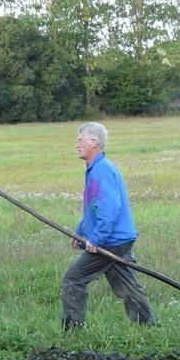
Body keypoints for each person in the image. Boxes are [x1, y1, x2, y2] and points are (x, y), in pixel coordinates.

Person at [61, 122, 155, 329]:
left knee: (73, 279)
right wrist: (80, 232)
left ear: (94, 142)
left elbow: (110, 210)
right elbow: (94, 208)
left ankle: (72, 331)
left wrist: (96, 239)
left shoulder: (101, 171)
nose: (77, 144)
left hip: (111, 240)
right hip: (120, 238)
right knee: (126, 283)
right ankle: (147, 326)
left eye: (80, 139)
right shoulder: (96, 168)